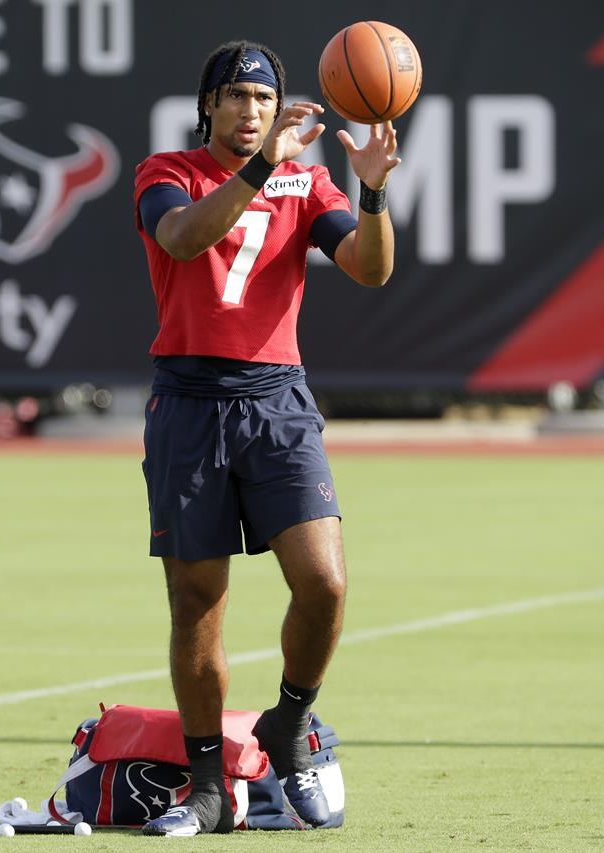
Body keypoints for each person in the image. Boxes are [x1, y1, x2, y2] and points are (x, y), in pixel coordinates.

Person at [132, 40, 400, 836]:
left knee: (325, 582)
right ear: (207, 104)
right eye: (236, 96)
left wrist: (375, 191)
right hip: (188, 402)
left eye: (262, 98)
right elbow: (183, 239)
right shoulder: (166, 171)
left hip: (276, 400)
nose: (250, 111)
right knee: (197, 606)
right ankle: (210, 784)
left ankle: (288, 721)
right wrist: (259, 170)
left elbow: (369, 267)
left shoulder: (307, 180)